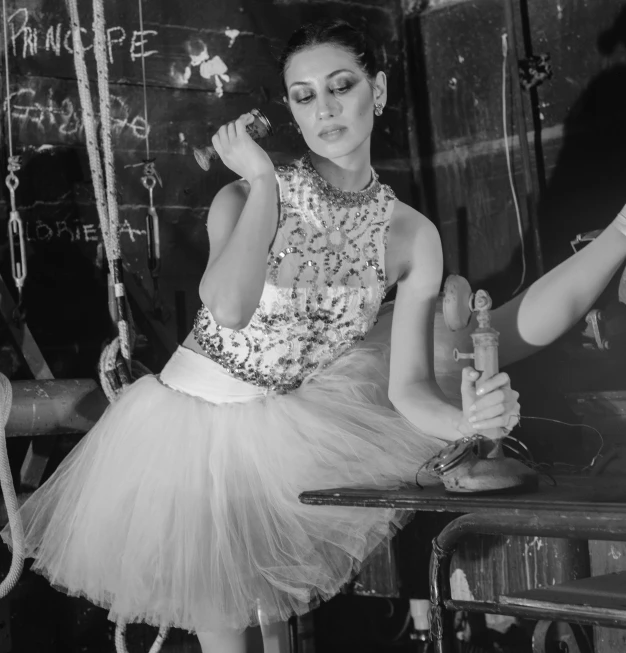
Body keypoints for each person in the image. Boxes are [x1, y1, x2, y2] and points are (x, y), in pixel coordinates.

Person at [4, 17, 626, 653]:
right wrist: (269, 182)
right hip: (188, 433)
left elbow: (410, 389)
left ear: (377, 92)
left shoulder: (412, 237)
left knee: (272, 624)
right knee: (228, 629)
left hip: (284, 426)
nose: (325, 108)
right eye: (304, 96)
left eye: (341, 86)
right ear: (292, 113)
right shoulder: (243, 195)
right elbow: (230, 305)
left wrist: (465, 420)